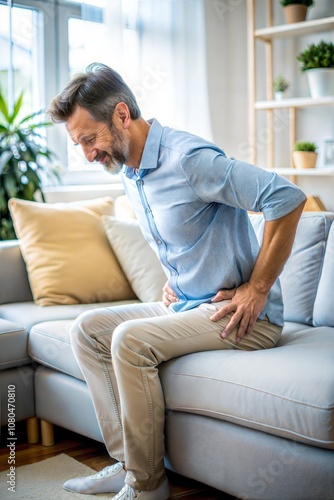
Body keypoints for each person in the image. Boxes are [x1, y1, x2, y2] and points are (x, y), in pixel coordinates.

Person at [48, 62, 306, 500]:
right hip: (192, 305)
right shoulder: (129, 171)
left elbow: (285, 197)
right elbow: (188, 233)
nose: (88, 155)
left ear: (122, 115)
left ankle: (147, 486)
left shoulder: (188, 159)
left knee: (129, 341)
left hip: (245, 320)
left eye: (90, 139)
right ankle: (127, 461)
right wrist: (177, 279)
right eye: (79, 145)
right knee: (87, 330)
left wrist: (257, 288)